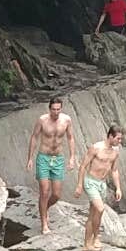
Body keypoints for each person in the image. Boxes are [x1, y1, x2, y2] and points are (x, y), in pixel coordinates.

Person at [29, 97, 78, 227]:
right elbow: (34, 137)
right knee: (45, 191)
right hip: (44, 157)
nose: (56, 112)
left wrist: (72, 157)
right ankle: (44, 223)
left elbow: (70, 138)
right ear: (49, 109)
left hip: (58, 159)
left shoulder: (66, 120)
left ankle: (44, 209)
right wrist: (30, 158)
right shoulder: (42, 120)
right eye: (53, 109)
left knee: (56, 195)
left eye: (58, 109)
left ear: (61, 108)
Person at [81, 126, 125, 251]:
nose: (119, 141)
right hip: (91, 182)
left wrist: (118, 188)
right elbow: (83, 166)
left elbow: (114, 170)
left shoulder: (115, 151)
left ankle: (93, 239)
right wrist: (79, 185)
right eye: (118, 138)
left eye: (121, 139)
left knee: (94, 214)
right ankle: (88, 243)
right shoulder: (96, 148)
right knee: (100, 209)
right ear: (110, 136)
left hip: (101, 184)